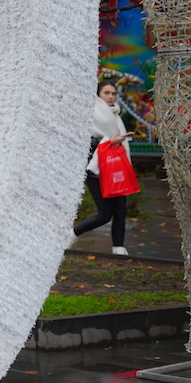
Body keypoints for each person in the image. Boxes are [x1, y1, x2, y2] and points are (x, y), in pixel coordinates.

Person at [73, 80, 132, 256]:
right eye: (106, 93)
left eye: (113, 93)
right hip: (97, 171)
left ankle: (119, 247)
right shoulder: (90, 115)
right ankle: (72, 234)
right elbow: (85, 143)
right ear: (98, 95)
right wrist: (108, 142)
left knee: (121, 210)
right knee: (105, 214)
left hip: (118, 168)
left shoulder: (116, 116)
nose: (111, 97)